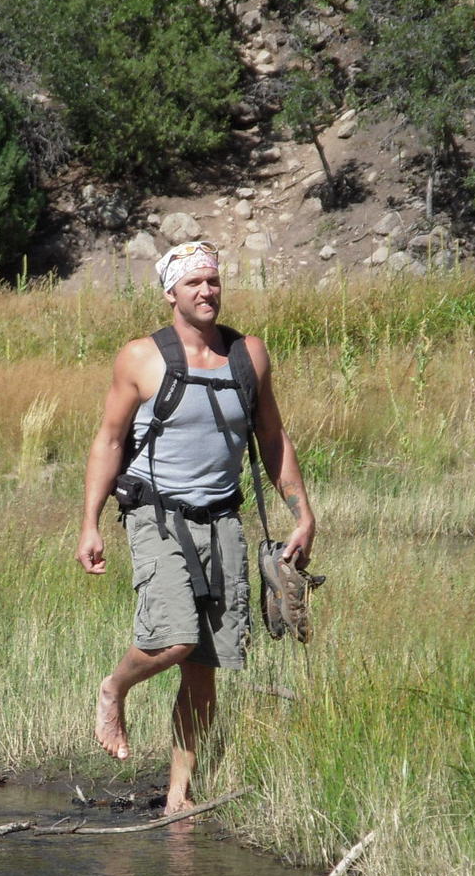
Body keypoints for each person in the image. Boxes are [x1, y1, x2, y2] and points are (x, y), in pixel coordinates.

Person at [75, 241, 316, 814]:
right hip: (156, 513)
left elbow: (272, 437)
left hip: (223, 517)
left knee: (205, 667)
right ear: (170, 293)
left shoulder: (249, 355)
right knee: (174, 637)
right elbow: (109, 441)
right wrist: (90, 523)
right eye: (193, 283)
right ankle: (114, 688)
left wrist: (302, 513)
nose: (206, 291)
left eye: (213, 281)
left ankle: (178, 797)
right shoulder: (140, 357)